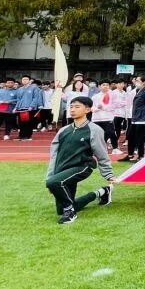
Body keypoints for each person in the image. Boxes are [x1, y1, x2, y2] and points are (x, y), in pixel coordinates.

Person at [46, 96, 116, 225]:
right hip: (63, 169)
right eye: (71, 107)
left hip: (82, 167)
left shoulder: (94, 130)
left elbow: (101, 154)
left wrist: (108, 174)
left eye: (77, 107)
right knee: (61, 209)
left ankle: (70, 213)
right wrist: (51, 175)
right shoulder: (63, 130)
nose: (72, 110)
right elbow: (54, 155)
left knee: (54, 183)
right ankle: (102, 192)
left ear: (87, 110)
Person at [124, 76, 145, 162]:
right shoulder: (138, 91)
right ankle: (130, 154)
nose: (136, 82)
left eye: (138, 80)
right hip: (136, 118)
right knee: (131, 137)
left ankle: (140, 156)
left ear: (144, 82)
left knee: (140, 138)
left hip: (143, 119)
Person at [91, 80, 120, 153]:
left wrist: (103, 107)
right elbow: (92, 108)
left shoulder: (112, 96)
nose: (105, 86)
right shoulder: (95, 97)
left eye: (107, 85)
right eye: (103, 85)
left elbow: (114, 106)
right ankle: (98, 149)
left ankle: (115, 148)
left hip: (108, 118)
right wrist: (98, 108)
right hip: (96, 118)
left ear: (109, 86)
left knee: (111, 133)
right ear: (99, 86)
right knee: (98, 135)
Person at [14, 76, 44, 141]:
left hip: (30, 108)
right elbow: (18, 99)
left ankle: (28, 135)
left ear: (30, 81)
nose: (24, 80)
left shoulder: (34, 88)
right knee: (21, 122)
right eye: (23, 79)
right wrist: (16, 107)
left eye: (26, 79)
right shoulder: (20, 89)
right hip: (21, 108)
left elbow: (35, 98)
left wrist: (32, 106)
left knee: (28, 122)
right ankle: (21, 135)